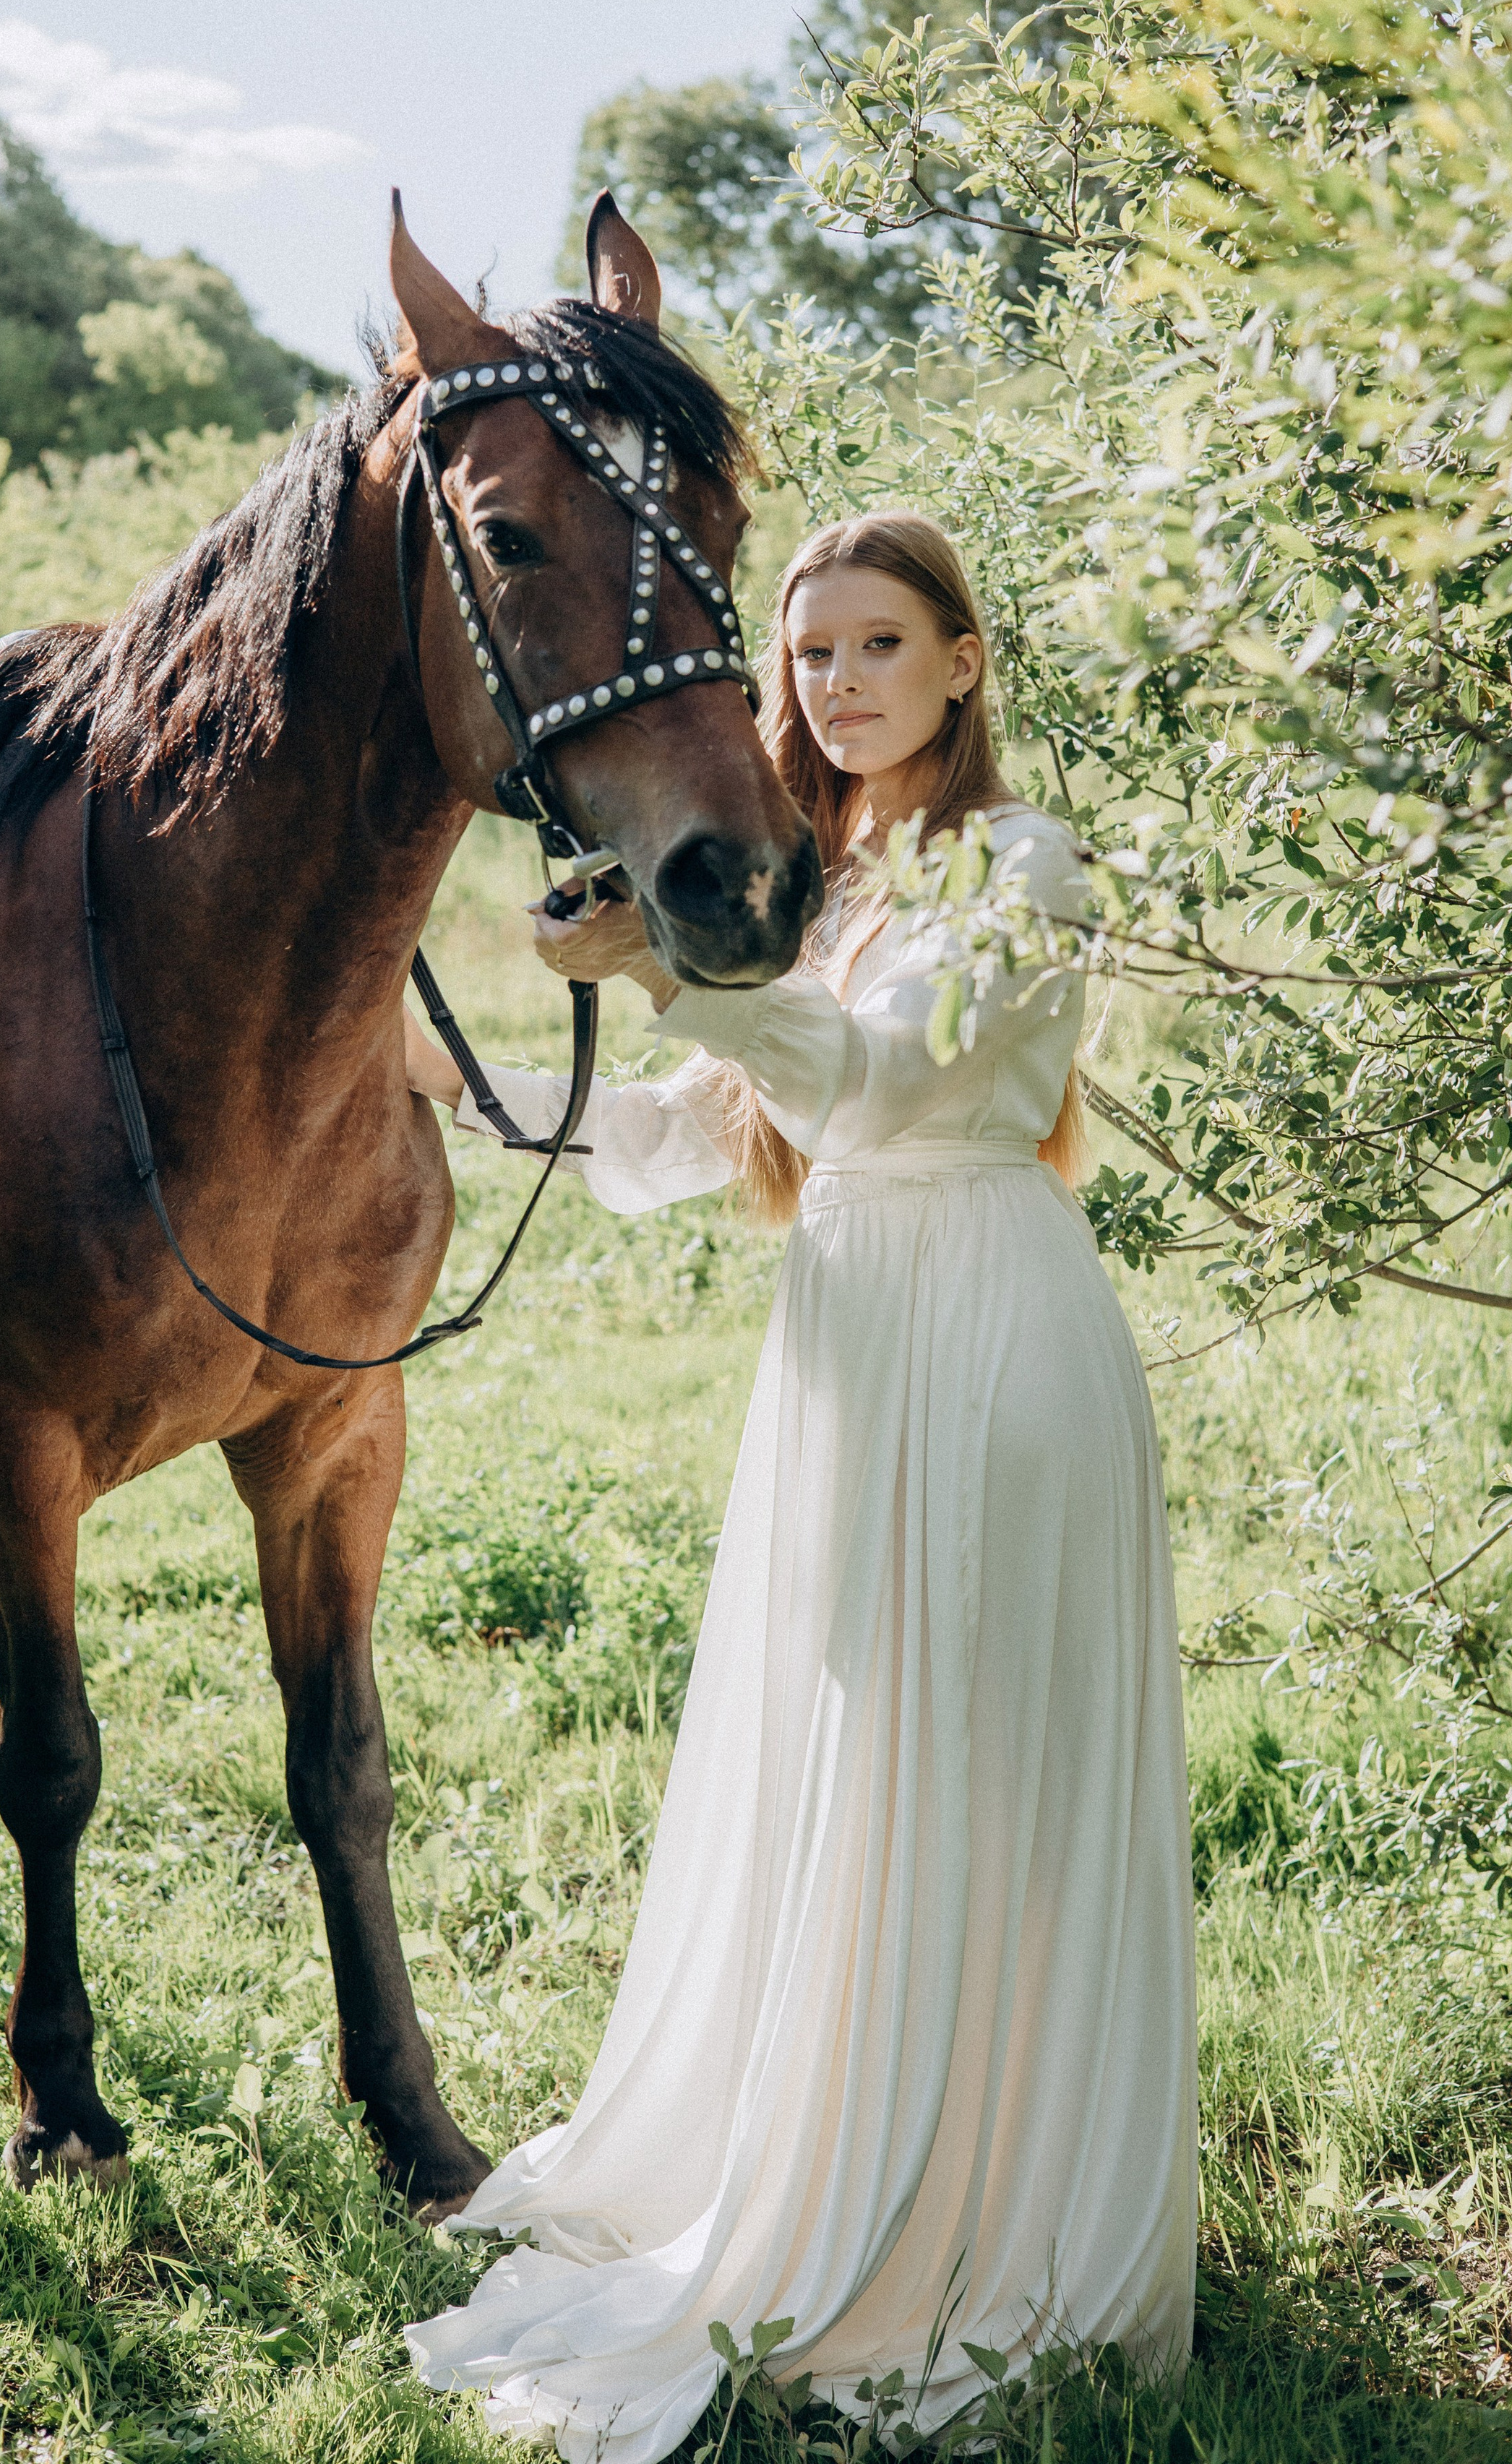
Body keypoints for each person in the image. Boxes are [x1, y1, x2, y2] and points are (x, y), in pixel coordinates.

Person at [403, 512, 1196, 2464]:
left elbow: (881, 1086)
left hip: (992, 1330)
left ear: (963, 662)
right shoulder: (822, 887)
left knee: (982, 1757)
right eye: (810, 653)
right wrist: (463, 1076)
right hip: (851, 1340)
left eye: (877, 644)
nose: (836, 683)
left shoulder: (1026, 865)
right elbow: (695, 1137)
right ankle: (858, 2148)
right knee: (861, 1760)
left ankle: (995, 2212)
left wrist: (676, 975)